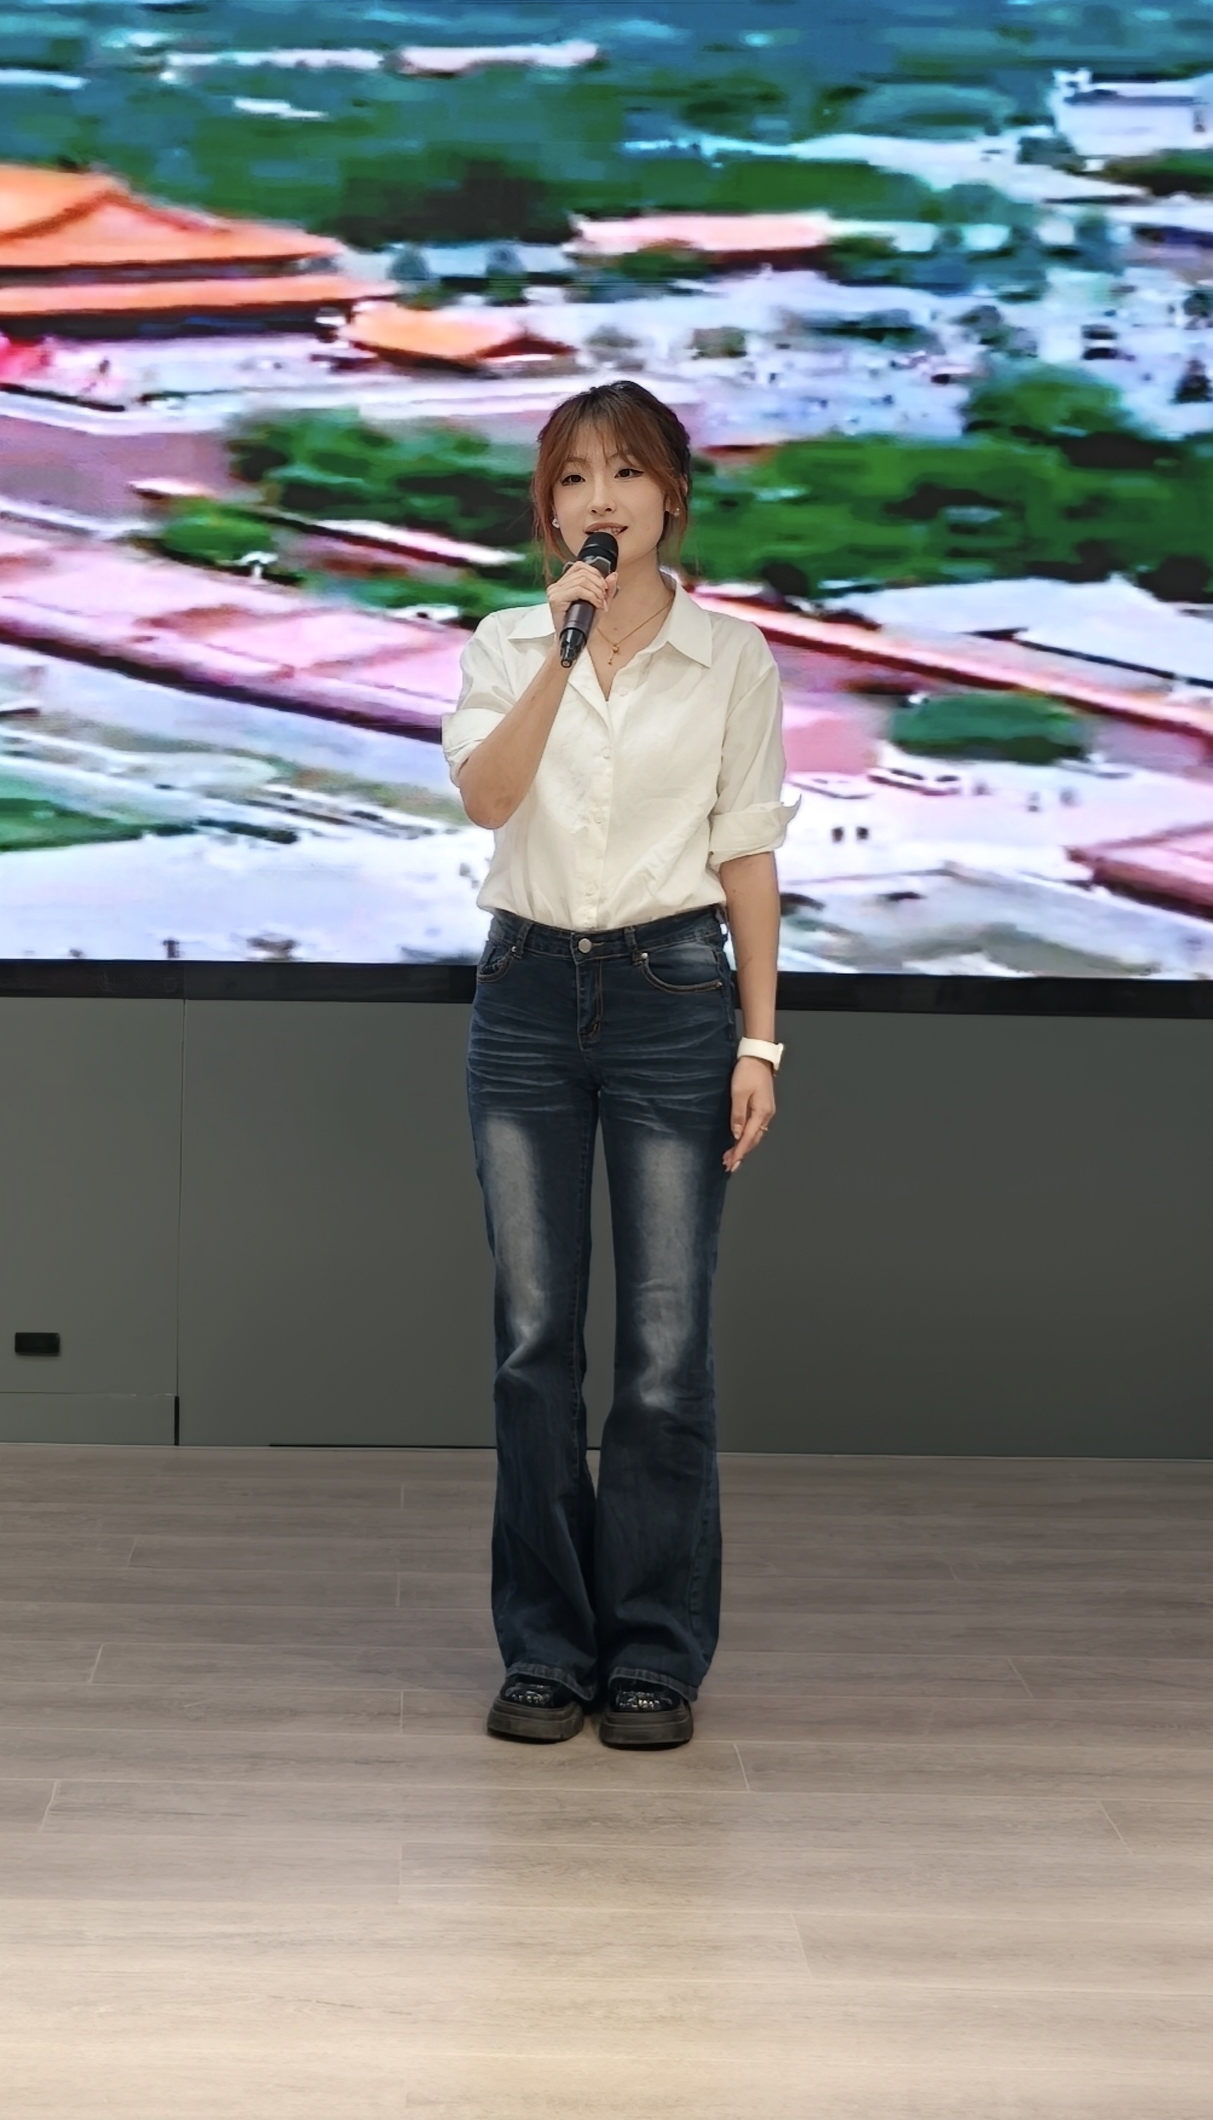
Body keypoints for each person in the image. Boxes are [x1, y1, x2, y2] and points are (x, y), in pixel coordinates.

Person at [440, 378, 791, 1752]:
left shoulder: (731, 659)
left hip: (673, 994)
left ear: (670, 497)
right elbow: (488, 796)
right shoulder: (503, 641)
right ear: (550, 510)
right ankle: (544, 1649)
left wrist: (759, 1039)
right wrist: (558, 649)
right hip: (525, 993)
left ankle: (653, 1651)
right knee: (533, 1344)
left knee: (661, 1347)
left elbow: (746, 852)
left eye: (626, 473)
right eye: (575, 477)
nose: (601, 498)